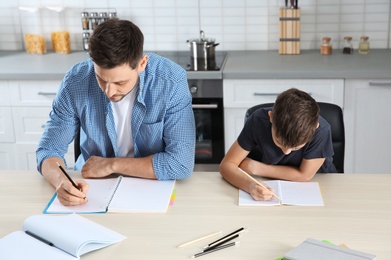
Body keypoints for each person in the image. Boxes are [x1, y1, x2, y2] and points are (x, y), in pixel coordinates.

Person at [36, 19, 195, 206]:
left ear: (142, 63)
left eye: (120, 83)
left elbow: (181, 164)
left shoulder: (171, 81)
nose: (109, 92)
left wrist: (111, 164)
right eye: (101, 79)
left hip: (152, 189)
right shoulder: (75, 81)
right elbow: (48, 150)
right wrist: (61, 181)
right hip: (93, 188)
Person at [219, 88, 336, 201]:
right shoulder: (258, 120)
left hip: (319, 183)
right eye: (280, 142)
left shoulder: (321, 131)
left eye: (295, 147)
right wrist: (250, 186)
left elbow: (305, 175)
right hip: (266, 182)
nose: (286, 152)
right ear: (271, 117)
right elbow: (227, 165)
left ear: (315, 127)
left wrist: (256, 168)